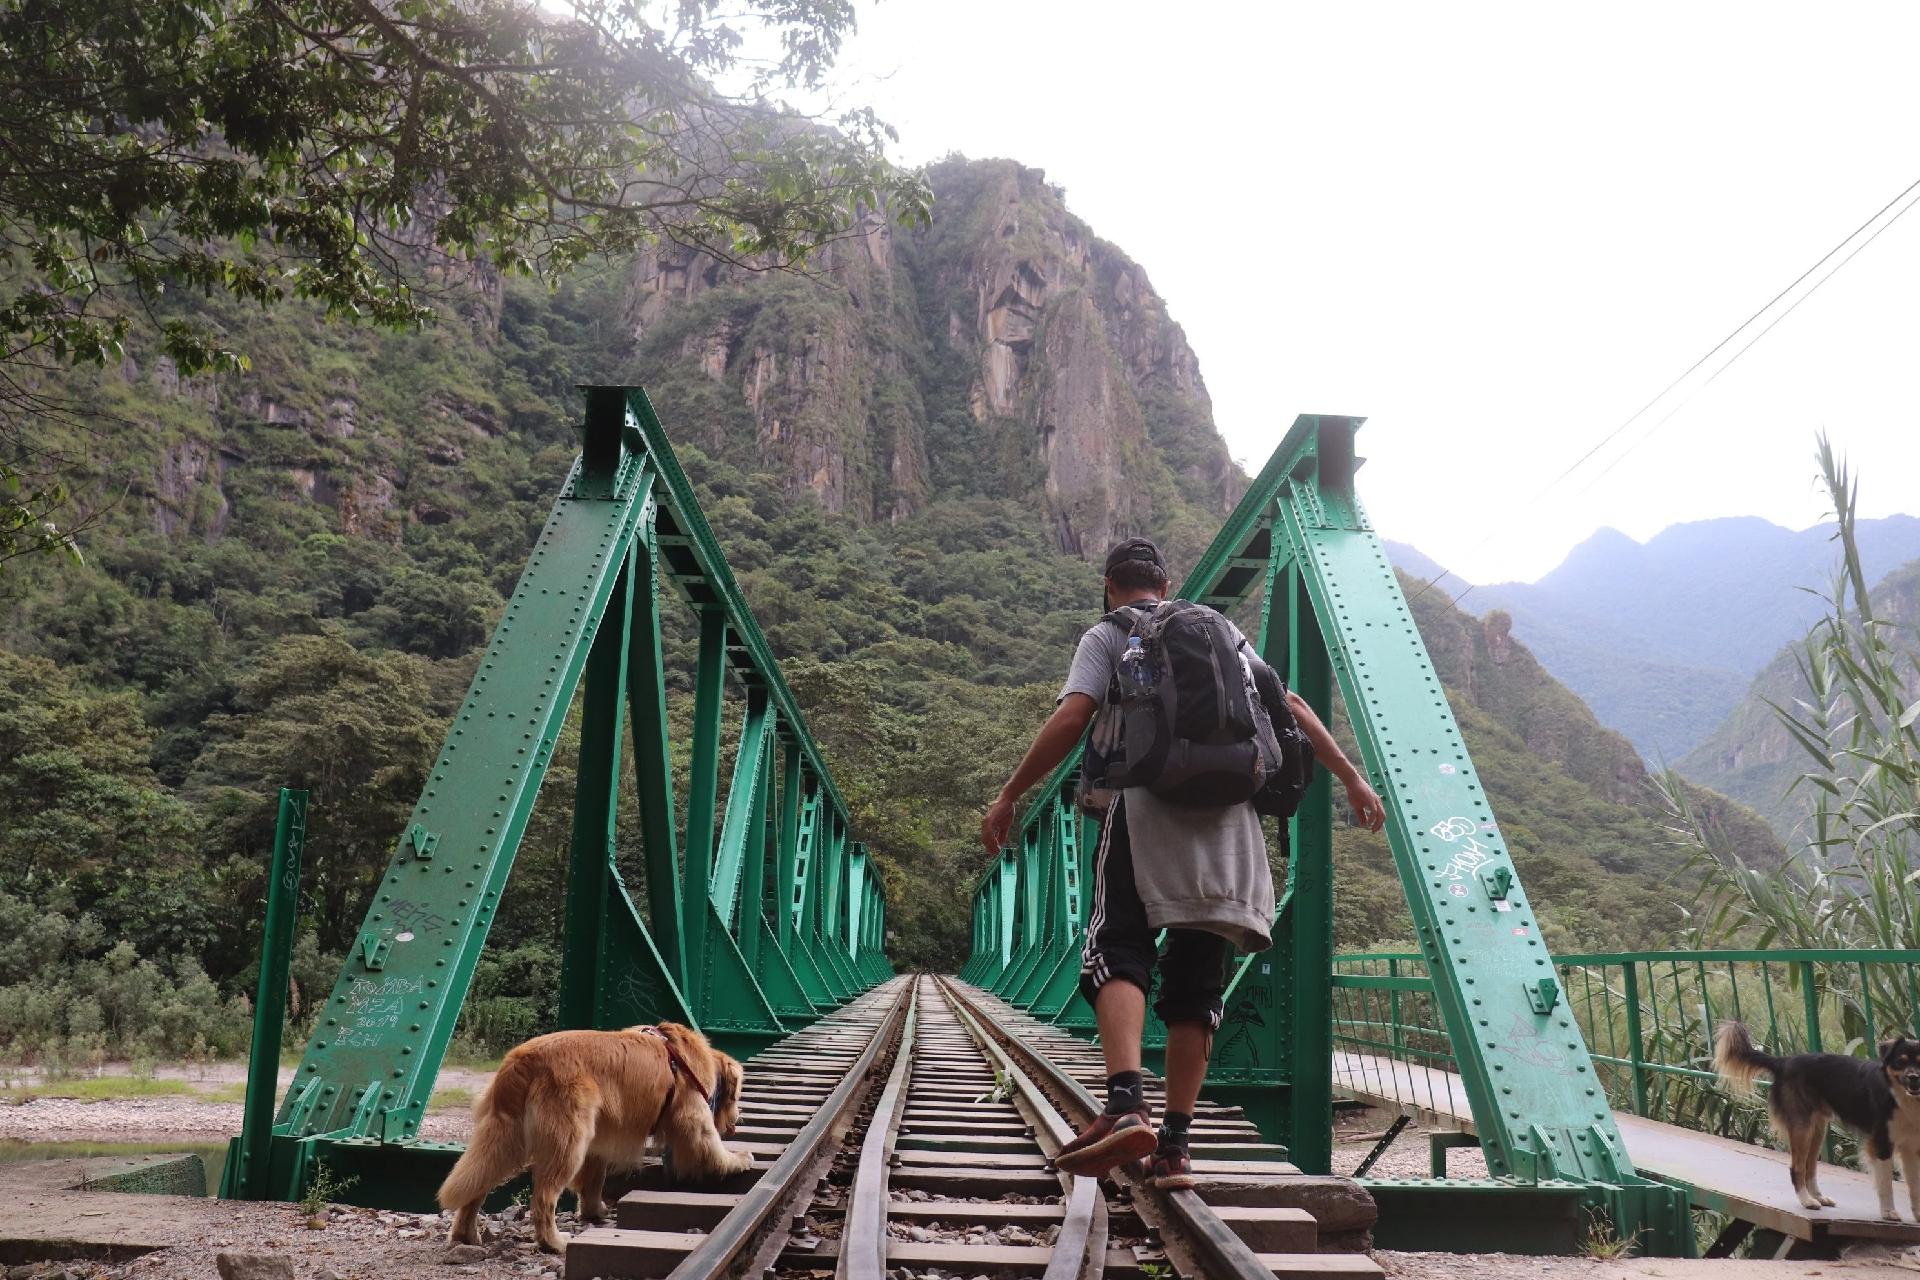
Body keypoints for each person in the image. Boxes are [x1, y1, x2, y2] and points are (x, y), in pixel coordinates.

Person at [980, 536, 1385, 1189]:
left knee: (1118, 947)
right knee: (1197, 978)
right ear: (1164, 586)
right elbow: (1294, 707)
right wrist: (1354, 781)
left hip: (1144, 808)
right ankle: (1174, 1146)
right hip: (1232, 824)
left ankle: (1122, 1104)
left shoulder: (1109, 634)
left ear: (1111, 587)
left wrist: (1008, 794)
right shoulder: (1220, 629)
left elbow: (1074, 715)